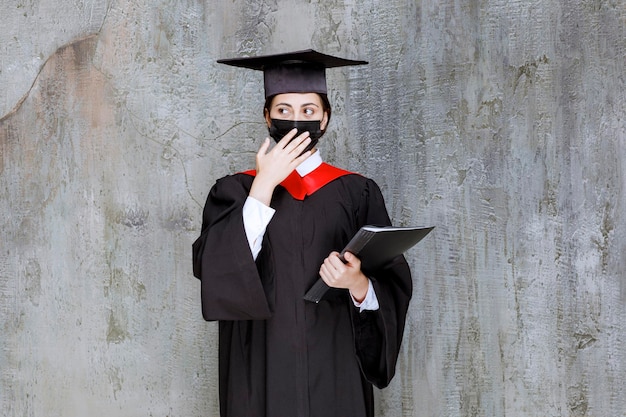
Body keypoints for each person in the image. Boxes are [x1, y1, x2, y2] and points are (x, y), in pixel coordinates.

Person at [192, 49, 413, 417]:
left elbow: (390, 281)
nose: (296, 120)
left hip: (335, 362)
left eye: (308, 111)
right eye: (283, 110)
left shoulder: (357, 193)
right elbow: (214, 268)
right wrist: (264, 185)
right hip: (260, 365)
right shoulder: (233, 191)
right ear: (267, 116)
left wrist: (358, 283)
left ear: (325, 118)